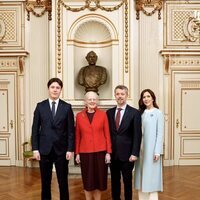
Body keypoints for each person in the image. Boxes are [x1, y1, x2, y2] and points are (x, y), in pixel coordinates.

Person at [31, 77, 75, 200]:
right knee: (45, 182)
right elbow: (35, 129)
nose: (55, 90)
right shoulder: (40, 106)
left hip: (61, 150)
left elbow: (71, 130)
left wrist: (70, 149)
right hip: (44, 150)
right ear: (48, 89)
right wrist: (35, 149)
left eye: (58, 88)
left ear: (61, 90)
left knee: (63, 182)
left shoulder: (67, 107)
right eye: (53, 87)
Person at [106, 85, 142, 200]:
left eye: (122, 94)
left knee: (127, 182)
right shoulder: (109, 113)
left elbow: (137, 135)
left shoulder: (135, 113)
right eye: (117, 94)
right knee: (114, 181)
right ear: (115, 96)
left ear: (127, 95)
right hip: (113, 154)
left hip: (128, 155)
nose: (120, 96)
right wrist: (107, 152)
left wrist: (135, 153)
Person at [75, 91, 112, 200]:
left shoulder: (103, 114)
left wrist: (108, 153)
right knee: (87, 180)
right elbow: (77, 136)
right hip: (85, 152)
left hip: (101, 152)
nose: (92, 101)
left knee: (99, 180)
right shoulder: (79, 116)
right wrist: (77, 153)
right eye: (89, 99)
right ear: (85, 101)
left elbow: (107, 135)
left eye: (94, 99)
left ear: (97, 101)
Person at [134, 89, 164, 200]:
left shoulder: (158, 113)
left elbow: (159, 134)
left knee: (151, 179)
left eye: (148, 96)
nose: (146, 99)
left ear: (153, 98)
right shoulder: (140, 113)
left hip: (152, 151)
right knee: (141, 179)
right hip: (140, 151)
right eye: (144, 97)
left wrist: (157, 151)